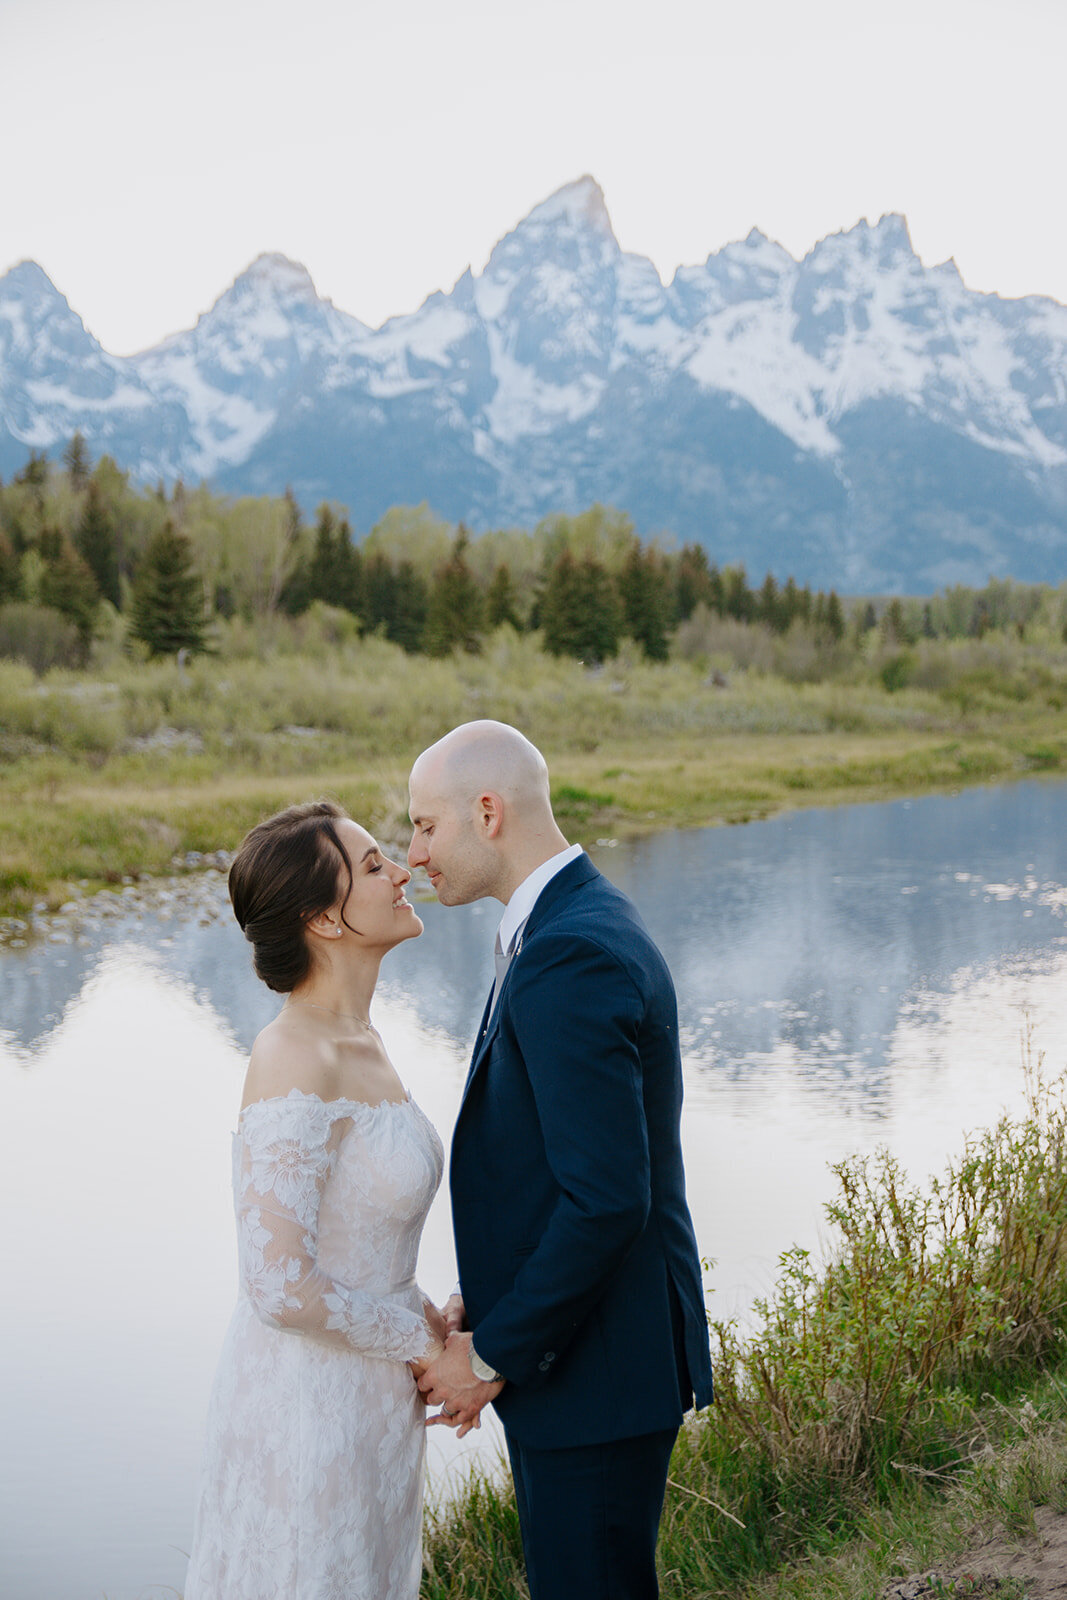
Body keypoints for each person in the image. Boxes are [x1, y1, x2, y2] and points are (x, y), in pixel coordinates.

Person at [407, 721, 714, 1600]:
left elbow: (608, 1199)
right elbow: (563, 1170)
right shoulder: (563, 921)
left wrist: (492, 1352)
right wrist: (490, 1299)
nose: (416, 852)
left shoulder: (568, 950)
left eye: (426, 826)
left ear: (488, 812)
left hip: (596, 1371)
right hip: (588, 1359)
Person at [184, 799, 448, 1600]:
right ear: (322, 922)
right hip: (307, 1407)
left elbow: (359, 1238)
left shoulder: (361, 1039)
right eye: (372, 867)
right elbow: (278, 1286)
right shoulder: (292, 1052)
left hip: (373, 1395)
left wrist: (436, 1321)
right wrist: (424, 1345)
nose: (402, 870)